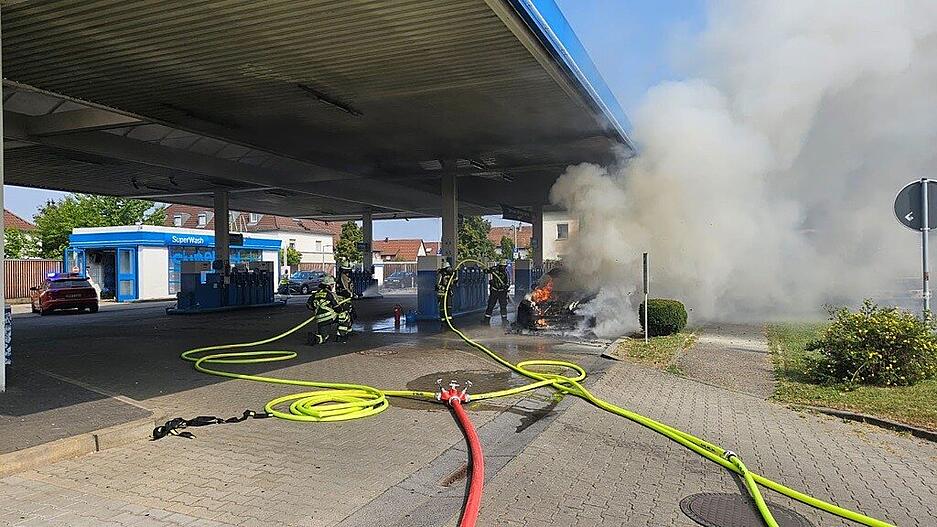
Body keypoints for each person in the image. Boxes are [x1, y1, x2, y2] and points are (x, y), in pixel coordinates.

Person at [307, 276, 340, 345]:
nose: (333, 286)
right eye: (332, 285)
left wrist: (316, 309)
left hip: (319, 319)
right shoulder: (330, 294)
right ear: (329, 285)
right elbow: (337, 308)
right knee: (345, 316)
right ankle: (341, 336)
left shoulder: (315, 293)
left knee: (324, 337)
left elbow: (308, 305)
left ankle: (315, 338)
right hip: (330, 317)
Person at [435, 260, 457, 325]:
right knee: (442, 307)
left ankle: (449, 319)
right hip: (442, 293)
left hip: (448, 292)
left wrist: (454, 276)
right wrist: (443, 287)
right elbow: (438, 285)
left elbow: (454, 281)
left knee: (449, 306)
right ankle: (444, 320)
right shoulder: (440, 274)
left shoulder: (450, 274)